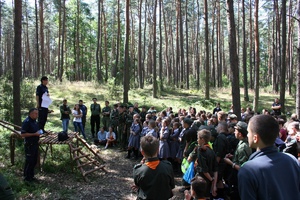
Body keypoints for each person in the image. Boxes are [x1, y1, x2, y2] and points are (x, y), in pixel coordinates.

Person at [238, 115, 300, 200]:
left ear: (255, 138)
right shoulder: (292, 160)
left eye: (248, 132)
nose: (247, 135)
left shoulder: (248, 170)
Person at [132, 135, 175, 200]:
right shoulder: (167, 166)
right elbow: (171, 186)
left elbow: (137, 184)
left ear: (142, 152)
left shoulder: (138, 170)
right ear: (158, 150)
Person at [224, 121, 252, 200]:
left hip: (238, 177)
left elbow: (242, 167)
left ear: (240, 134)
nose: (234, 132)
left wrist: (230, 163)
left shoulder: (243, 147)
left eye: (236, 131)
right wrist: (233, 156)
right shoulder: (242, 142)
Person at [21, 108, 41, 182]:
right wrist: (34, 134)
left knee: (34, 161)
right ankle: (27, 178)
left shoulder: (34, 121)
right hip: (29, 145)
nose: (37, 115)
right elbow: (23, 134)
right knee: (29, 161)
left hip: (35, 144)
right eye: (36, 113)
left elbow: (36, 131)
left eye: (37, 113)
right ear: (31, 114)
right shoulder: (27, 122)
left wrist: (40, 133)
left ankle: (31, 177)